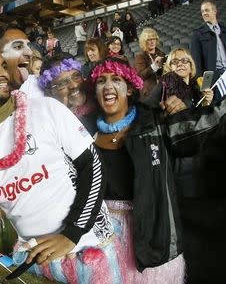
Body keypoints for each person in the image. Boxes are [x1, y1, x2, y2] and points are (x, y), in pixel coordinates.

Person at [0, 42, 118, 284]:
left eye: (2, 64)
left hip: (91, 253)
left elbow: (93, 168)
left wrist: (71, 235)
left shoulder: (45, 109)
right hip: (39, 265)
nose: (2, 72)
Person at [91, 58, 226, 283]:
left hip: (154, 242)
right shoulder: (84, 134)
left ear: (130, 88)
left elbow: (203, 127)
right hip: (104, 246)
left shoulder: (154, 121)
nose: (108, 86)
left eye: (116, 79)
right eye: (101, 81)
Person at [38, 53, 98, 135]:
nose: (74, 85)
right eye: (62, 84)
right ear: (49, 92)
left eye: (76, 76)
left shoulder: (103, 103)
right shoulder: (51, 130)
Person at [144, 48, 214, 108]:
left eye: (184, 61)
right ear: (170, 67)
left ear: (191, 67)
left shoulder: (197, 87)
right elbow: (146, 107)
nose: (180, 64)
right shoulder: (163, 84)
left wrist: (206, 103)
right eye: (175, 61)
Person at [190, 0, 226, 102]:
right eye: (202, 11)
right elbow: (196, 62)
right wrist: (203, 86)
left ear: (214, 11)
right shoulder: (197, 34)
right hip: (212, 78)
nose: (204, 13)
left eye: (207, 10)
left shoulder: (224, 29)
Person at [134, 28, 166, 100]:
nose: (152, 42)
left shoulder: (161, 54)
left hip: (164, 89)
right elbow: (140, 76)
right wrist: (154, 66)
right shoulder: (140, 57)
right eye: (149, 40)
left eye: (153, 39)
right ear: (144, 42)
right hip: (149, 92)